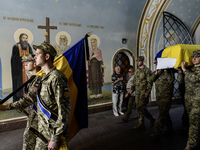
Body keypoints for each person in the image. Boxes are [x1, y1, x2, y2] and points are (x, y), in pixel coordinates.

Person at [0, 54, 41, 150]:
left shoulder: (38, 80)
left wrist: (6, 107)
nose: (24, 64)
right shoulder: (32, 79)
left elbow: (30, 99)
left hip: (39, 116)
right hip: (33, 114)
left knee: (30, 139)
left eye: (27, 62)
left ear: (35, 63)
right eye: (23, 62)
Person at [177, 50, 200, 150]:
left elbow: (195, 79)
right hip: (188, 99)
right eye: (193, 57)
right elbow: (181, 82)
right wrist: (180, 72)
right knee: (192, 121)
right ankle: (195, 138)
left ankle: (191, 144)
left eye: (197, 57)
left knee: (194, 122)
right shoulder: (189, 69)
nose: (194, 58)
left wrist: (185, 70)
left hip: (197, 100)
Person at [128, 56, 155, 129]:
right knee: (138, 107)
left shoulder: (147, 70)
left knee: (141, 106)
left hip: (144, 91)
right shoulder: (136, 71)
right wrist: (131, 88)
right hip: (137, 91)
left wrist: (148, 92)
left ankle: (151, 119)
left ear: (143, 61)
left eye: (139, 61)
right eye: (137, 61)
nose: (138, 63)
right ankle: (141, 123)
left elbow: (150, 82)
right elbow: (134, 81)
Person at [150, 59, 175, 137]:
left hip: (166, 96)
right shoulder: (156, 72)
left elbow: (171, 80)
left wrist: (165, 70)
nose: (156, 65)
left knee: (162, 113)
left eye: (158, 63)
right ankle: (170, 128)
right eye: (156, 63)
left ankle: (159, 130)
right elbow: (150, 79)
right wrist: (157, 73)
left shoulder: (169, 72)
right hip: (159, 96)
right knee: (164, 113)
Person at [11, 33, 33, 102]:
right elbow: (14, 59)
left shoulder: (29, 46)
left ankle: (28, 99)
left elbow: (32, 56)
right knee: (19, 86)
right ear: (20, 39)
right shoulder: (16, 46)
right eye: (23, 38)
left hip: (28, 70)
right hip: (19, 71)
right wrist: (22, 58)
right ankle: (18, 100)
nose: (25, 40)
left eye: (26, 38)